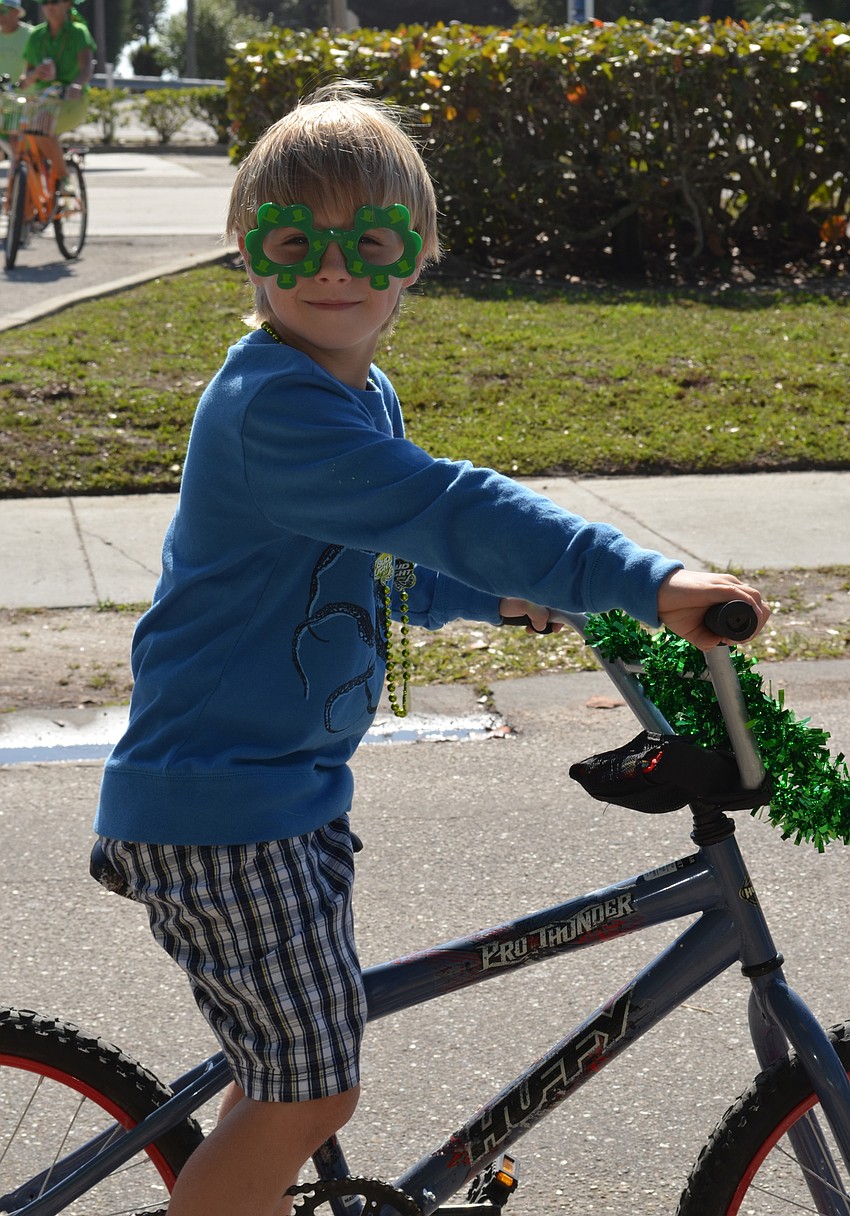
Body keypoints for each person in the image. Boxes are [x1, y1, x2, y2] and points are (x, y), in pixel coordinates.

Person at [93, 82, 770, 1216]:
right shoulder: (276, 405)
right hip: (216, 804)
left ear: (420, 253)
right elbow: (453, 507)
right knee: (308, 1091)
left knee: (301, 1075)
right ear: (244, 250)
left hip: (287, 792)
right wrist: (644, 578)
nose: (332, 266)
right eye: (292, 239)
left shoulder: (356, 392)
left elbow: (390, 554)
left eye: (371, 239)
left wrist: (501, 602)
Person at [18, 0, 93, 180]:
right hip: (43, 99)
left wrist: (76, 85)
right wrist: (34, 75)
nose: (49, 6)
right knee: (23, 138)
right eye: (45, 2)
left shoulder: (78, 32)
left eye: (54, 1)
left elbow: (87, 67)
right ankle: (29, 196)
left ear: (68, 4)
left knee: (40, 129)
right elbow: (25, 78)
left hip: (71, 100)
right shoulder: (36, 35)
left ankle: (63, 178)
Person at [0, 0, 31, 87]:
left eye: (3, 11)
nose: (0, 15)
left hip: (27, 98)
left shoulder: (33, 35)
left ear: (16, 12)